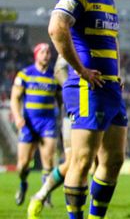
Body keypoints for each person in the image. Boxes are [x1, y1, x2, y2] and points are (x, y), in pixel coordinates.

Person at [48, 0, 126, 219]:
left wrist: (116, 71)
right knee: (81, 161)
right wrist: (80, 69)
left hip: (110, 88)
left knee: (115, 160)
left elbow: (113, 41)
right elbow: (57, 28)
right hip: (86, 88)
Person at [10, 43, 59, 207]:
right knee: (22, 164)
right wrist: (17, 117)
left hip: (48, 122)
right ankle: (23, 184)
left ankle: (45, 195)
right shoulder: (25, 74)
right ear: (36, 55)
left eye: (48, 52)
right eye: (43, 51)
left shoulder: (55, 75)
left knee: (49, 160)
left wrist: (63, 115)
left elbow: (60, 98)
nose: (46, 54)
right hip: (29, 123)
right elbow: (15, 98)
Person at [27, 55, 73, 218]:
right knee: (73, 162)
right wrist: (74, 89)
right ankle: (40, 195)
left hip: (103, 103)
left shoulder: (107, 36)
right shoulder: (72, 36)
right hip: (76, 107)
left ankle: (98, 212)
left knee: (106, 161)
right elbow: (59, 70)